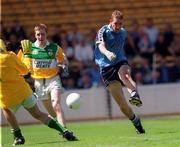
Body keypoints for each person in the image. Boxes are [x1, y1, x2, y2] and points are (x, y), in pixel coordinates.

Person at [0, 39, 78, 146]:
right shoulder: (10, 56)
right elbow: (25, 71)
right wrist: (27, 55)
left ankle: (18, 137)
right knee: (39, 114)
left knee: (6, 110)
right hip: (24, 92)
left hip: (7, 96)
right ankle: (64, 130)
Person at [94, 10, 145, 133]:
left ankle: (134, 94)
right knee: (122, 106)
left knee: (125, 75)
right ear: (110, 21)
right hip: (106, 67)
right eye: (116, 23)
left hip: (120, 61)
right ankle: (136, 122)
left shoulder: (123, 32)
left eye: (120, 24)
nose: (118, 26)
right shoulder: (103, 31)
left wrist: (115, 56)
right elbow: (100, 45)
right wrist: (107, 53)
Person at [18, 24, 68, 127]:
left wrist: (63, 64)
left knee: (56, 105)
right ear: (35, 35)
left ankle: (66, 131)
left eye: (43, 34)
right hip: (39, 83)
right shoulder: (29, 48)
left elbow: (63, 59)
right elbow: (20, 66)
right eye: (38, 34)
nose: (40, 37)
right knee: (52, 113)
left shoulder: (54, 48)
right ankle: (61, 129)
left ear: (47, 34)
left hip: (53, 79)